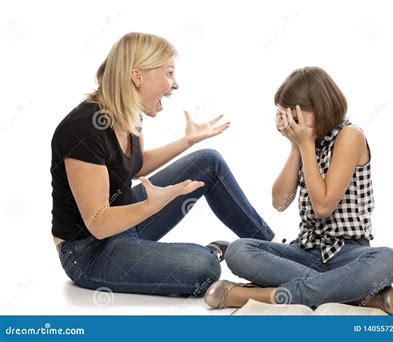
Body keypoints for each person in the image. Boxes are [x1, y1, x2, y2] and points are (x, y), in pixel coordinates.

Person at [51, 32, 274, 296]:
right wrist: (150, 205)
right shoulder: (83, 129)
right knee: (204, 267)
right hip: (89, 251)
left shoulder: (128, 114)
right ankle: (212, 254)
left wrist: (187, 141)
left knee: (208, 161)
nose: (175, 84)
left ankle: (274, 252)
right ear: (137, 76)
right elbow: (98, 223)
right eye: (169, 73)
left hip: (125, 221)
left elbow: (137, 165)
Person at [205, 67, 393, 314]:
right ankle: (352, 295)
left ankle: (260, 295)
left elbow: (323, 207)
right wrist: (296, 147)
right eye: (284, 114)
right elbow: (279, 202)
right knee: (238, 251)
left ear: (319, 107)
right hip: (305, 251)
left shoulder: (349, 135)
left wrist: (305, 144)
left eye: (294, 114)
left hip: (348, 254)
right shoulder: (305, 142)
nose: (289, 122)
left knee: (389, 260)